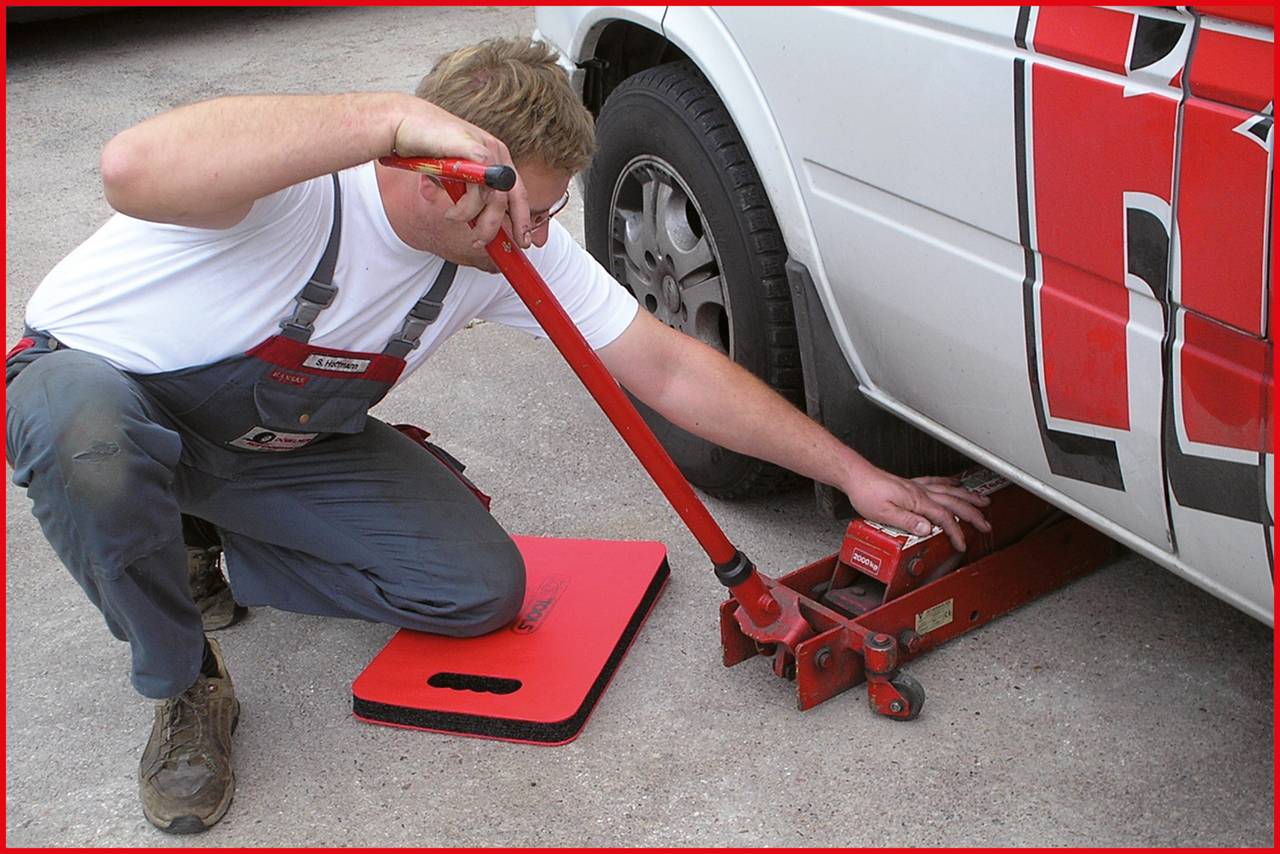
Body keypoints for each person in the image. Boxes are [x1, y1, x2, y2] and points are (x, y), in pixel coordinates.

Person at [4, 38, 990, 834]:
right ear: (438, 175)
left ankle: (208, 534)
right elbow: (128, 166)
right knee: (87, 438)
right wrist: (385, 119)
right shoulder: (298, 181)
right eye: (531, 204)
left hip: (270, 445)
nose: (538, 230)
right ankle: (182, 680)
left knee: (475, 589)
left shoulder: (505, 249)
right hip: (104, 399)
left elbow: (667, 365)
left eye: (548, 207)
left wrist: (852, 471)